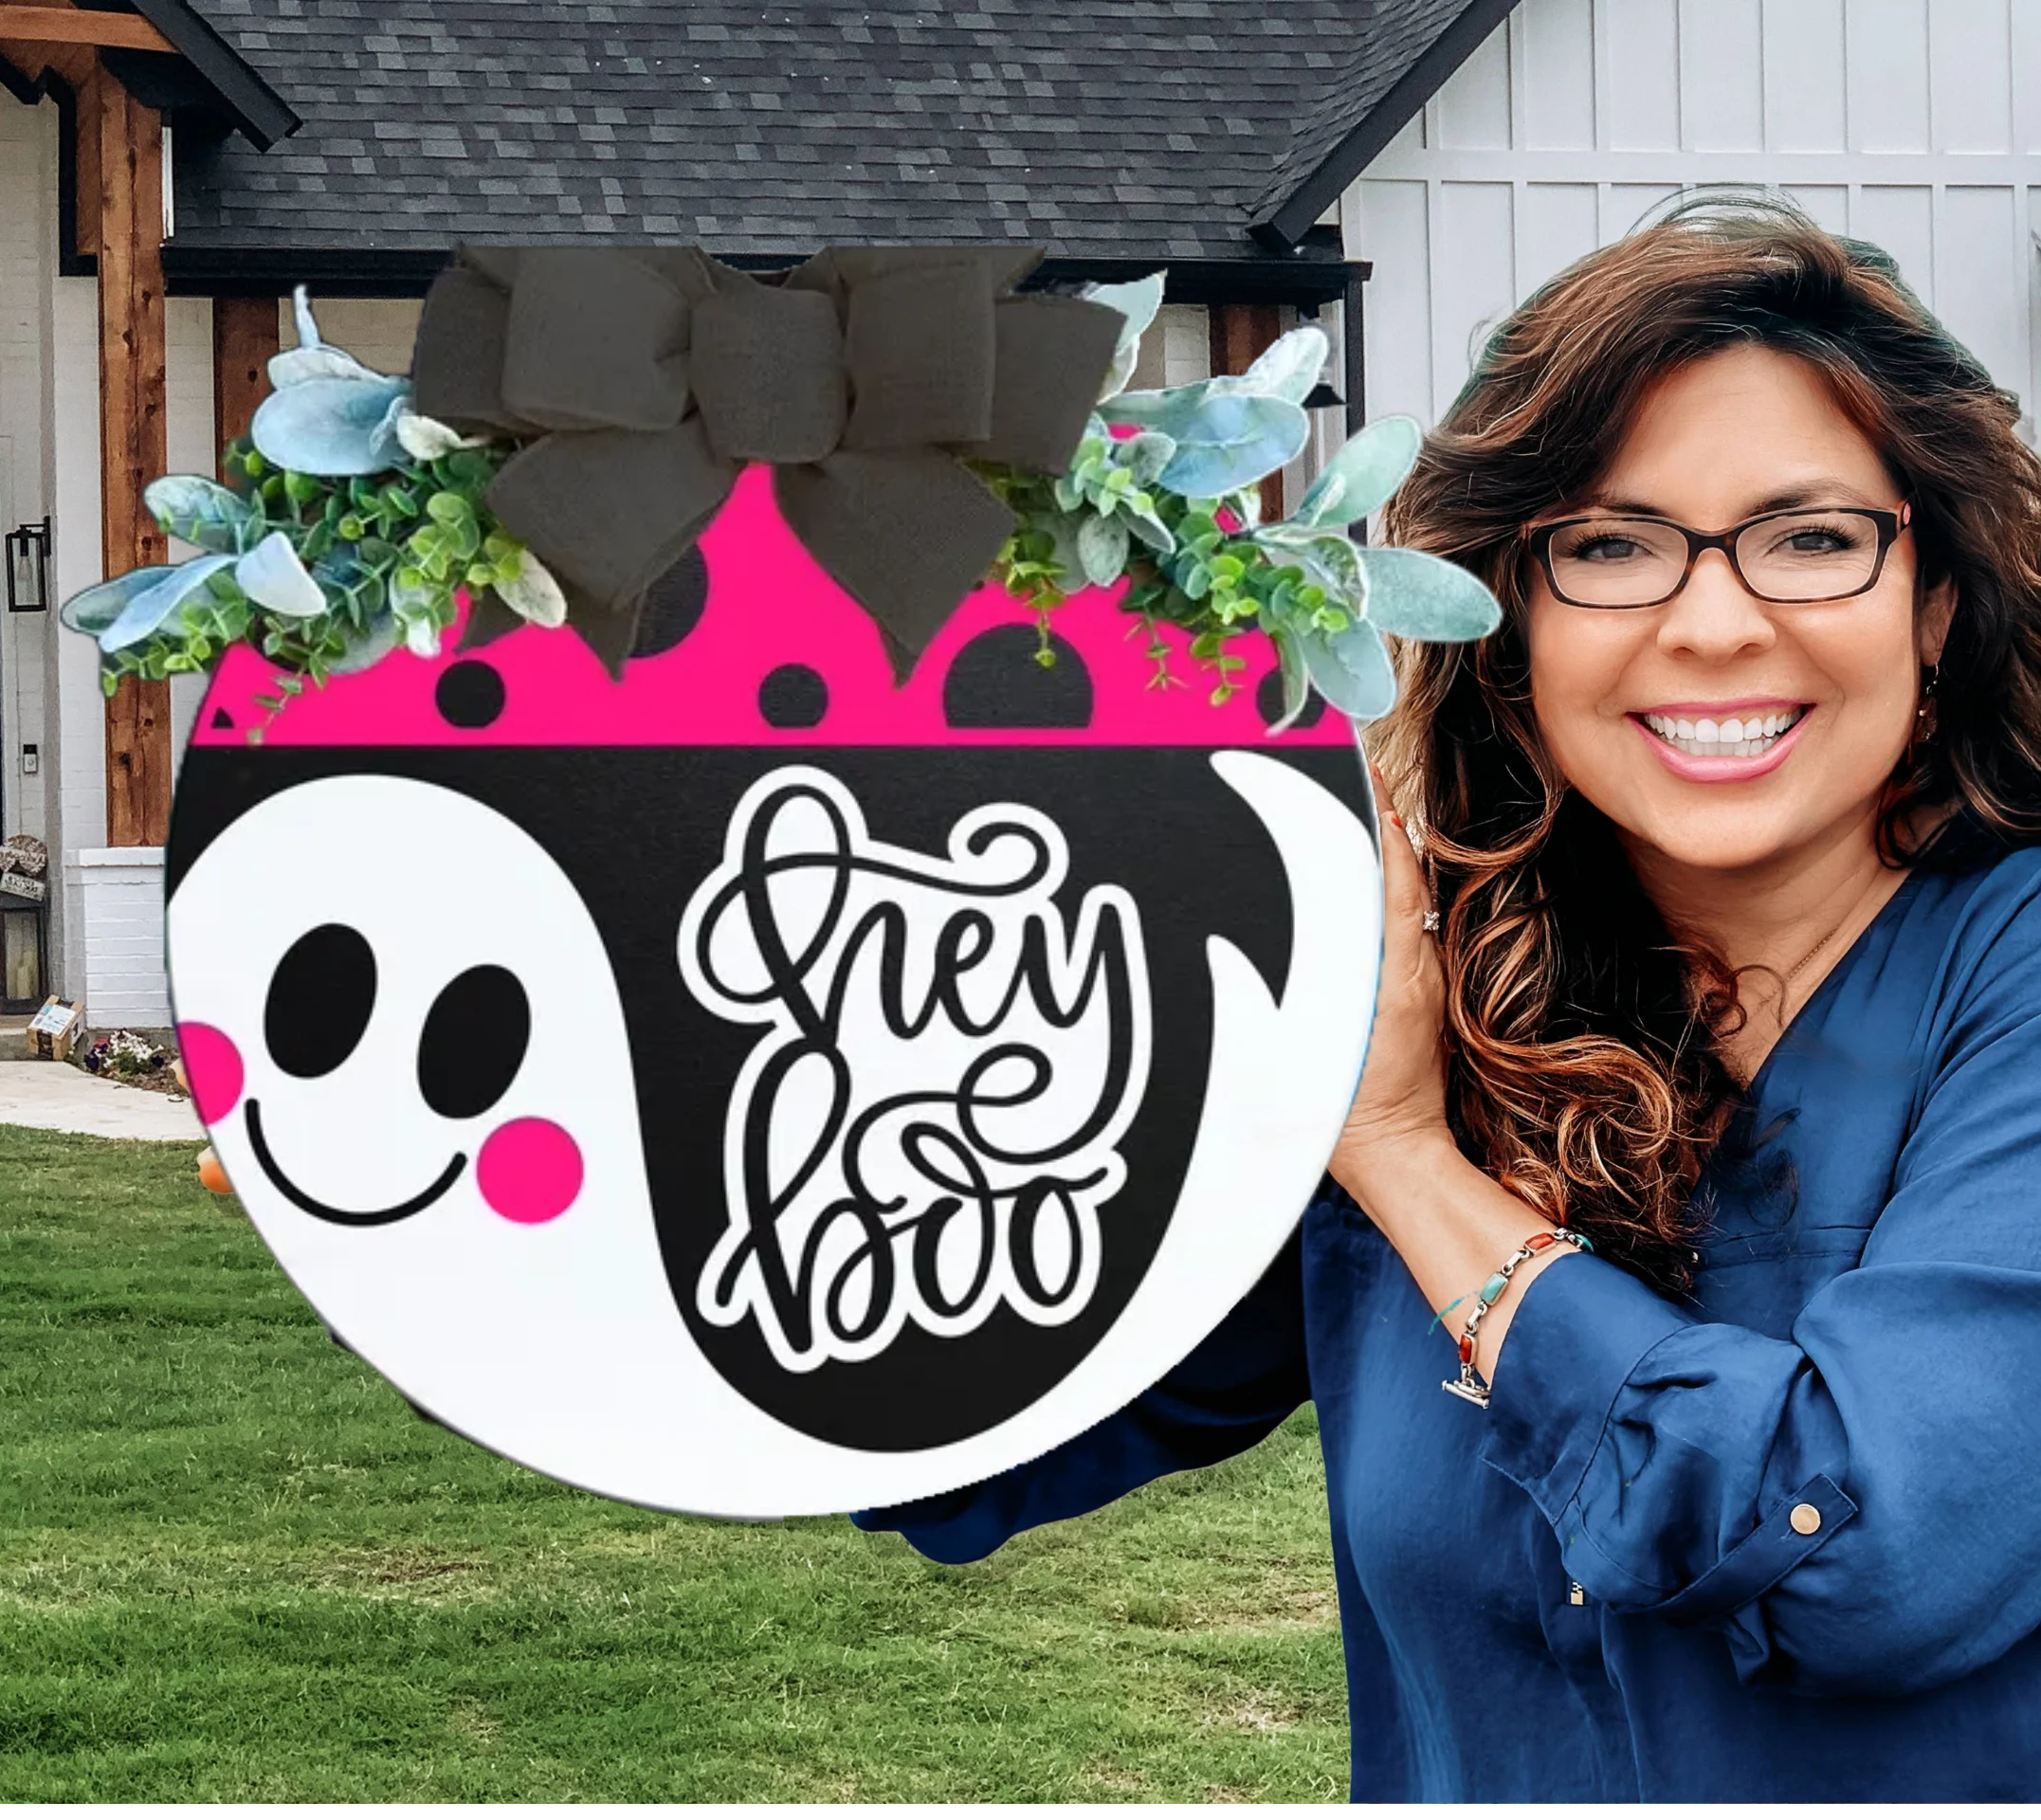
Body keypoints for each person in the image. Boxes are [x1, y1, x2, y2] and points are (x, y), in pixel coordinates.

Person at [858, 196, 2041, 1801]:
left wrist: (1411, 1160)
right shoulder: (1423, 983)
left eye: (1812, 537)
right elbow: (971, 1409)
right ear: (1510, 622)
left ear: (1939, 599)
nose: (1711, 621)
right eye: (1610, 546)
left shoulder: (2006, 980)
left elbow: (1869, 1552)